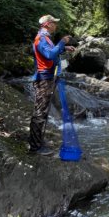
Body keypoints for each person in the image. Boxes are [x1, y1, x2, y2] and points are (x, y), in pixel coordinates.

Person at [29, 14, 74, 156]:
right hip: (44, 79)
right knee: (40, 113)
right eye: (54, 22)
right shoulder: (41, 39)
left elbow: (51, 53)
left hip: (48, 78)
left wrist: (64, 48)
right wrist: (61, 42)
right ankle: (35, 147)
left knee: (43, 111)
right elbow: (49, 55)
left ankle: (38, 141)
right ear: (47, 24)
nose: (56, 25)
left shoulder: (45, 37)